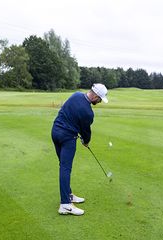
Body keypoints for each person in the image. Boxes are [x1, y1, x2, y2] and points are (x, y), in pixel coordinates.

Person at [51, 83, 108, 216]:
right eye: (100, 99)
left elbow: (68, 113)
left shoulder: (76, 95)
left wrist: (81, 135)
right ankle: (65, 205)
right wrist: (86, 141)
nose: (99, 102)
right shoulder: (88, 112)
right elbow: (86, 132)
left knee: (63, 166)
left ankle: (69, 195)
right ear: (95, 96)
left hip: (55, 132)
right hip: (67, 138)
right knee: (65, 168)